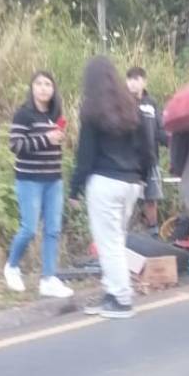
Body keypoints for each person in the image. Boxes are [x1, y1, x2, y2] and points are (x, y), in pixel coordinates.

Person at [69, 56, 155, 319]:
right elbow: (148, 150)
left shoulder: (92, 111)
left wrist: (75, 189)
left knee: (109, 244)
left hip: (104, 182)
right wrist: (141, 177)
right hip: (130, 184)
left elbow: (85, 155)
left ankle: (121, 298)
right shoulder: (132, 108)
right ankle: (110, 293)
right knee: (116, 239)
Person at [4, 71, 74, 298]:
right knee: (29, 228)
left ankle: (48, 278)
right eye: (39, 84)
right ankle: (12, 266)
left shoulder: (55, 115)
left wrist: (59, 138)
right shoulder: (23, 114)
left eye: (48, 84)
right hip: (29, 179)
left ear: (53, 89)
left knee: (53, 230)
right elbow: (15, 145)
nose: (44, 88)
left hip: (53, 179)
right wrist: (46, 139)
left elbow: (55, 144)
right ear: (32, 88)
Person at [126, 66, 169, 235]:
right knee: (129, 202)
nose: (133, 84)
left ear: (144, 82)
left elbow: (160, 130)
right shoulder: (123, 103)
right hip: (129, 163)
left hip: (151, 160)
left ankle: (153, 236)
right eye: (130, 79)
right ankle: (127, 237)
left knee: (151, 200)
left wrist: (173, 142)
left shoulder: (151, 103)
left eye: (137, 79)